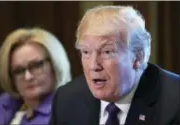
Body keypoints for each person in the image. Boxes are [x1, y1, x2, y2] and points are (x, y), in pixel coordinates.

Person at [50, 5, 179, 125]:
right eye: (86, 52)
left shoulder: (174, 102)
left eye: (107, 52)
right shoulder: (66, 99)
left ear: (138, 56)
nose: (93, 65)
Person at [0, 27, 71, 125]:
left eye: (36, 66)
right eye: (19, 71)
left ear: (55, 63)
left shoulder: (69, 112)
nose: (28, 77)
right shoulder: (4, 102)